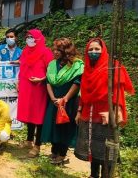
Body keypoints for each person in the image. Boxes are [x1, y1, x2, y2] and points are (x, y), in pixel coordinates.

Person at [74, 38, 134, 178]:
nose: (93, 52)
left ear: (103, 50)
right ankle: (93, 175)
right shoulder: (87, 69)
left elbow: (118, 91)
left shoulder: (112, 67)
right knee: (92, 146)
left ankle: (106, 175)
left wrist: (115, 111)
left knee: (107, 148)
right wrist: (79, 111)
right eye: (90, 49)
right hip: (89, 113)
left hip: (106, 114)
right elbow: (83, 93)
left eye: (97, 49)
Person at [40, 38, 84, 164]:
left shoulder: (77, 64)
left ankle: (62, 154)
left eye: (58, 50)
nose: (55, 52)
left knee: (64, 127)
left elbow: (77, 83)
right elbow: (48, 81)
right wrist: (53, 98)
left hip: (68, 102)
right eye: (54, 49)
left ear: (66, 50)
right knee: (53, 125)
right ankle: (54, 151)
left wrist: (65, 99)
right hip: (54, 100)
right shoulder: (53, 64)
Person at [17, 29, 53, 158]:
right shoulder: (25, 51)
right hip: (27, 87)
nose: (29, 39)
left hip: (40, 88)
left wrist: (42, 79)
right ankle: (29, 140)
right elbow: (22, 67)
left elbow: (52, 71)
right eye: (28, 37)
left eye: (32, 37)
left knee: (39, 116)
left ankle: (37, 145)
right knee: (29, 113)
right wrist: (19, 81)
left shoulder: (46, 52)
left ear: (39, 38)